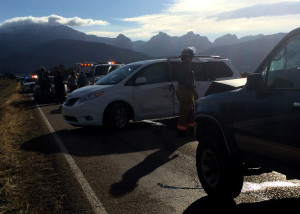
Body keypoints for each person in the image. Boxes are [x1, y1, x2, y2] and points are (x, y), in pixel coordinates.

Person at [176, 47, 199, 136]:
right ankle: (182, 132)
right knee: (185, 112)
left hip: (184, 91)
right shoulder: (185, 67)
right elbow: (189, 82)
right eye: (190, 57)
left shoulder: (184, 65)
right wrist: (195, 92)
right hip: (185, 91)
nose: (191, 59)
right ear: (186, 57)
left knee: (190, 111)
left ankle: (189, 129)